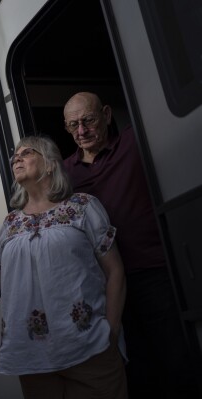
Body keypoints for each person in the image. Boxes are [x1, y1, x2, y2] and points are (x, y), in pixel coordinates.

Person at [62, 91, 202, 398]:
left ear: (108, 115)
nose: (81, 131)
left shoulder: (134, 141)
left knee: (177, 360)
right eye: (73, 126)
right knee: (134, 368)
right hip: (102, 287)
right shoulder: (65, 174)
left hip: (152, 272)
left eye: (88, 120)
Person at [0, 135, 127, 399]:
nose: (16, 158)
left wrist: (110, 331)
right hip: (31, 359)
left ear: (51, 164)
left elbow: (115, 271)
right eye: (14, 156)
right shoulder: (11, 223)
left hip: (88, 348)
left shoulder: (82, 207)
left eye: (26, 152)